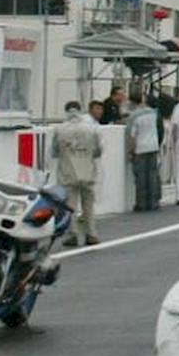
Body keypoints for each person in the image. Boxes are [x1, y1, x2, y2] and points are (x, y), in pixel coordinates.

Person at [53, 99, 105, 246]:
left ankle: (73, 234)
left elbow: (54, 152)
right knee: (88, 204)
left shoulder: (60, 129)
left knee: (70, 205)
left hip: (68, 171)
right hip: (88, 170)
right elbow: (99, 150)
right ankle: (92, 234)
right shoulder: (91, 129)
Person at [124, 89, 161, 211]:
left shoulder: (133, 116)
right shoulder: (153, 113)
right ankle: (154, 202)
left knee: (141, 177)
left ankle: (141, 203)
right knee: (153, 175)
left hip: (140, 148)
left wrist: (130, 151)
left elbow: (132, 136)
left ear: (132, 103)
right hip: (153, 146)